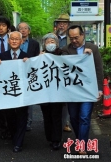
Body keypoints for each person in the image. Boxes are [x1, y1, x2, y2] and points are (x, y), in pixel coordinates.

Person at [62, 25, 103, 155]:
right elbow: (61, 63)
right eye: (71, 38)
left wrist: (100, 89)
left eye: (76, 37)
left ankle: (82, 146)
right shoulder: (66, 50)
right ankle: (81, 139)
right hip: (73, 91)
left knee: (84, 117)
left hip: (88, 90)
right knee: (74, 117)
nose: (74, 40)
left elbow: (98, 69)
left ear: (83, 35)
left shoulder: (93, 49)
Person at [0, 31, 30, 153]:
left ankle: (18, 143)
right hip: (8, 92)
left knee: (22, 116)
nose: (14, 41)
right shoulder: (2, 55)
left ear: (21, 42)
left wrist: (30, 63)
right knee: (10, 116)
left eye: (17, 39)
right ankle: (14, 136)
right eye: (12, 39)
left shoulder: (27, 56)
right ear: (8, 41)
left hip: (23, 92)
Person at [40, 33, 63, 150]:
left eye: (52, 42)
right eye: (48, 42)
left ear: (57, 43)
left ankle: (56, 139)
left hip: (58, 91)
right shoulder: (40, 55)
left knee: (56, 115)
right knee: (47, 115)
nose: (50, 44)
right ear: (44, 44)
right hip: (44, 92)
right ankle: (49, 137)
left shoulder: (61, 53)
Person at [16, 22, 40, 131]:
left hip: (29, 74)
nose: (23, 30)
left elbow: (37, 59)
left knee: (28, 99)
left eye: (25, 28)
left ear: (29, 31)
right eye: (20, 28)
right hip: (15, 74)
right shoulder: (14, 42)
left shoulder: (35, 43)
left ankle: (28, 122)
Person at [54, 13, 72, 132]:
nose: (62, 25)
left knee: (66, 99)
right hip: (54, 71)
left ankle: (65, 122)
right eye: (60, 23)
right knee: (55, 97)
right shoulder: (51, 37)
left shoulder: (72, 38)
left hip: (68, 71)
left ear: (68, 25)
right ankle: (54, 121)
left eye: (64, 23)